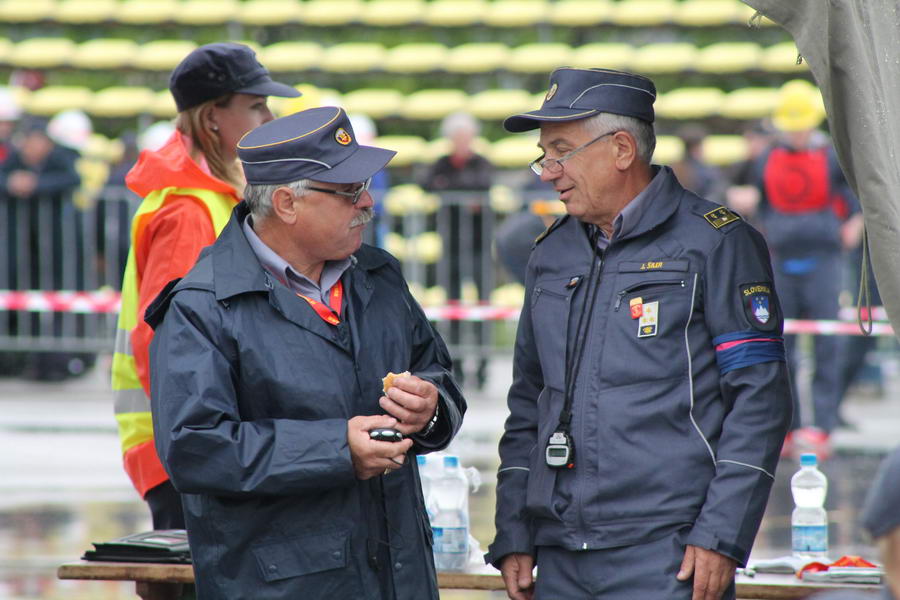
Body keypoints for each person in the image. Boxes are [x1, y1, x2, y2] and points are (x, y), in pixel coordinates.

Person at [485, 67, 792, 600]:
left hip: (670, 555)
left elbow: (759, 400)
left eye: (561, 152)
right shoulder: (550, 253)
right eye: (543, 155)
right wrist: (513, 529)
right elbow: (529, 401)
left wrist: (722, 534)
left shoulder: (716, 243)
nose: (547, 172)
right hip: (557, 554)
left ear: (622, 149)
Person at [146, 106, 466, 599]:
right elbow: (195, 448)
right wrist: (337, 449)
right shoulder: (203, 305)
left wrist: (430, 409)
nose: (367, 202)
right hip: (282, 585)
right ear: (286, 203)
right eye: (349, 191)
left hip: (400, 577)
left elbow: (437, 375)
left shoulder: (377, 275)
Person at [110, 42, 300, 530]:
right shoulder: (188, 210)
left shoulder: (211, 197)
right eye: (256, 105)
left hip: (205, 445)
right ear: (213, 116)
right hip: (192, 452)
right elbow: (169, 343)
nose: (269, 116)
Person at [735, 80, 861, 459]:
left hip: (824, 262)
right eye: (791, 127)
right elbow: (753, 198)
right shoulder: (765, 159)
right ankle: (789, 428)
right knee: (780, 348)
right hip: (781, 262)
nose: (796, 133)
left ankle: (823, 428)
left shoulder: (832, 156)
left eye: (801, 126)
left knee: (828, 346)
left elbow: (855, 200)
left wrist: (853, 225)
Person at [420, 111, 495, 388]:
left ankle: (483, 365)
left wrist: (449, 187)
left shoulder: (481, 162)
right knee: (452, 305)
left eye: (466, 136)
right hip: (451, 244)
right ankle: (458, 365)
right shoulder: (441, 163)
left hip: (478, 244)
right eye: (457, 137)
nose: (462, 141)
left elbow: (483, 184)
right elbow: (425, 183)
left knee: (482, 305)